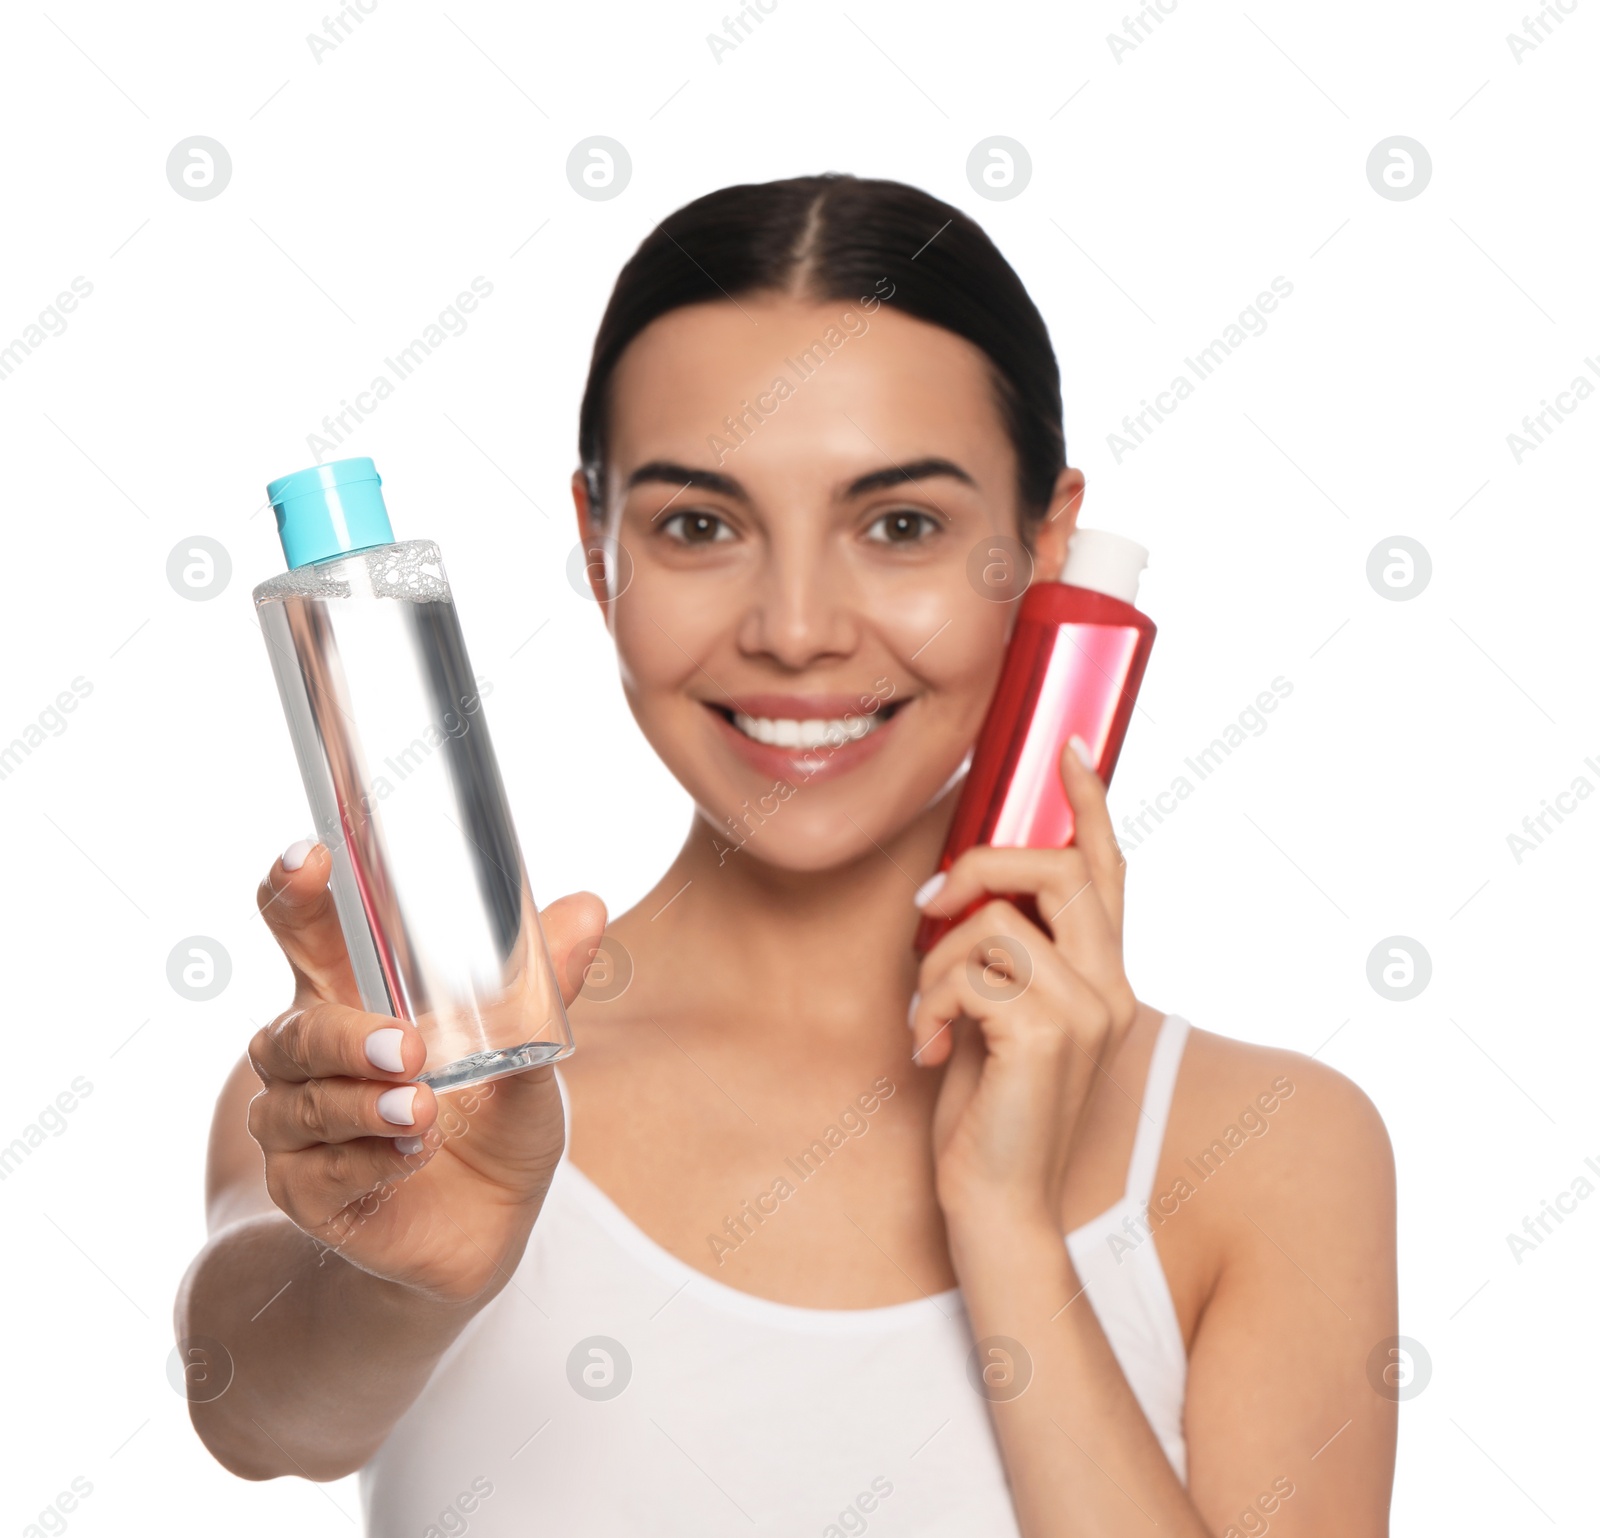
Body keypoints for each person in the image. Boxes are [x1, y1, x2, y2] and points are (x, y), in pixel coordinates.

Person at [176, 173, 1398, 1536]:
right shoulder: (391, 1086)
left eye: (901, 525)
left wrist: (1000, 1219)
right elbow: (254, 1407)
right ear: (596, 541)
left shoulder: (1271, 1151)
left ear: (1046, 544)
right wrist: (407, 1279)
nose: (799, 628)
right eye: (699, 524)